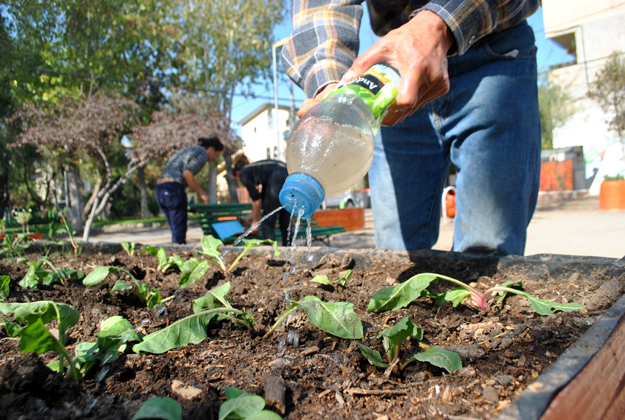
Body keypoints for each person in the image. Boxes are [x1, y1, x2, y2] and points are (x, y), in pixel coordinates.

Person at [282, 0, 541, 256]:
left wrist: (438, 24)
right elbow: (320, 7)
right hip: (393, 75)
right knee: (395, 257)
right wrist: (330, 88)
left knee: (487, 250)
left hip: (492, 52)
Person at [156, 137, 224, 244]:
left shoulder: (189, 150)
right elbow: (187, 173)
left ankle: (175, 251)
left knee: (175, 229)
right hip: (173, 189)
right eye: (217, 154)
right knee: (179, 231)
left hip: (160, 189)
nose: (216, 158)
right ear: (211, 149)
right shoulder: (203, 154)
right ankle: (179, 255)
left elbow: (163, 167)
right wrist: (202, 194)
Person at [232, 156, 293, 246]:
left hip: (277, 178)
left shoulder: (243, 173)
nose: (240, 182)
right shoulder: (263, 174)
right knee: (286, 224)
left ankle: (271, 254)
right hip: (289, 177)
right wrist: (247, 218)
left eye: (237, 180)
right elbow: (263, 204)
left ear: (237, 173)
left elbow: (257, 201)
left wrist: (254, 223)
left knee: (268, 224)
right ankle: (289, 251)